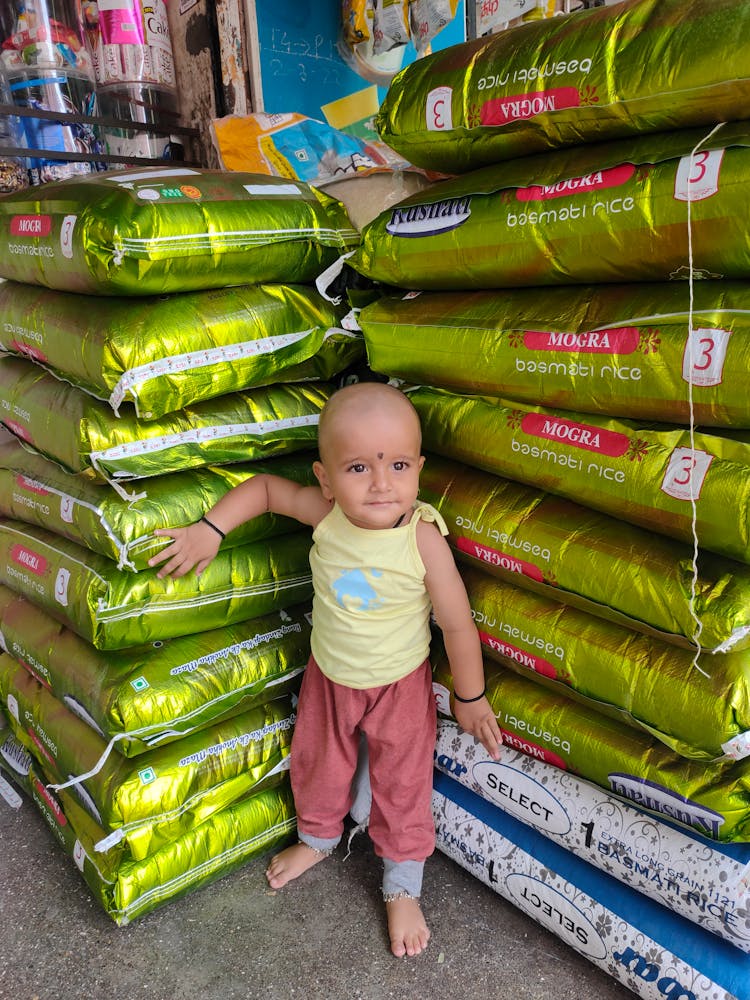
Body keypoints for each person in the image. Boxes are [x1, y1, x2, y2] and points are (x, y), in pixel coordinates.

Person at [149, 381, 502, 959]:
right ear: (325, 479)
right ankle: (317, 836)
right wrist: (209, 529)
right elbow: (264, 491)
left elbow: (457, 625)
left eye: (398, 464)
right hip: (330, 676)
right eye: (359, 466)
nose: (382, 483)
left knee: (403, 782)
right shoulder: (326, 515)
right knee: (318, 758)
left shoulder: (421, 540)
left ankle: (402, 883)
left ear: (419, 469)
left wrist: (471, 696)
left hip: (400, 686)